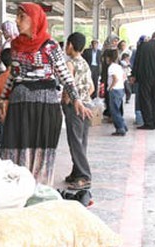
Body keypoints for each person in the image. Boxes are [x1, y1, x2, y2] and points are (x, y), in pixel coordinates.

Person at [0, 3, 91, 185]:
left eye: (22, 17)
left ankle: (38, 191)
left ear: (34, 20)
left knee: (40, 151)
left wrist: (76, 100)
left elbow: (65, 75)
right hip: (19, 105)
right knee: (15, 148)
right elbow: (14, 74)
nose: (17, 21)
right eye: (16, 16)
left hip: (44, 106)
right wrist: (3, 98)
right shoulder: (15, 45)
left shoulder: (50, 46)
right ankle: (18, 191)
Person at [63, 32, 94, 190]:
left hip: (75, 108)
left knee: (75, 142)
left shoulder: (70, 64)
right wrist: (84, 99)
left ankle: (84, 176)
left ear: (70, 45)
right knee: (82, 141)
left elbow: (69, 87)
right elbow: (92, 88)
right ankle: (76, 172)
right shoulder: (85, 63)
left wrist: (68, 101)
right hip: (87, 105)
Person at [132, 31, 155, 130]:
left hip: (144, 78)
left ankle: (148, 122)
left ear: (152, 37)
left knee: (145, 99)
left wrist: (134, 75)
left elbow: (137, 62)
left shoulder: (142, 46)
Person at [106, 49, 127, 136]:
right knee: (118, 109)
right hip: (121, 89)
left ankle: (120, 128)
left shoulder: (111, 67)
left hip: (114, 90)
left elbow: (115, 78)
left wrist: (111, 87)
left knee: (114, 111)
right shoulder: (119, 66)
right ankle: (123, 126)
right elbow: (124, 77)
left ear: (109, 58)